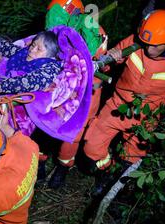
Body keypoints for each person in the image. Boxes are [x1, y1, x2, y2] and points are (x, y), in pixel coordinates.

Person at [83, 9, 165, 196]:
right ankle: (106, 171)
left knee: (132, 159)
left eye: (155, 45)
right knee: (91, 146)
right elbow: (105, 65)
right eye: (145, 43)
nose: (147, 49)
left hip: (147, 117)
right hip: (117, 106)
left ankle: (117, 187)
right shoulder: (135, 43)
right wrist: (109, 58)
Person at [47, 3, 109, 188]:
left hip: (86, 93)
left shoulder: (93, 31)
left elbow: (101, 63)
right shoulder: (55, 29)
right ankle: (47, 162)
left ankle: (65, 167)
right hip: (60, 88)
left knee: (74, 132)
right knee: (49, 124)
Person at [0, 31, 62, 96]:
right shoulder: (22, 53)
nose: (32, 50)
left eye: (39, 49)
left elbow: (30, 81)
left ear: (50, 55)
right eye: (33, 45)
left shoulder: (51, 67)